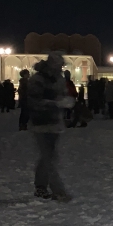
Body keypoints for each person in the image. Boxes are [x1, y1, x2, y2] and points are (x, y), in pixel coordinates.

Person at [28, 52, 74, 201]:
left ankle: (40, 187)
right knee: (49, 158)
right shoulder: (38, 79)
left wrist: (65, 101)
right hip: (40, 122)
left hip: (54, 122)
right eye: (59, 65)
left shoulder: (59, 79)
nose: (61, 68)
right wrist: (56, 103)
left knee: (48, 157)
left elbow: (61, 94)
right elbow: (33, 102)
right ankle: (57, 190)